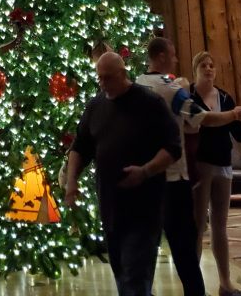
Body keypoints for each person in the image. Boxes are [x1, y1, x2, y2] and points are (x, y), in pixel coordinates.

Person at [136, 38, 241, 296]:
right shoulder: (171, 89)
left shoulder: (138, 84)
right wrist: (233, 115)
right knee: (185, 243)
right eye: (173, 55)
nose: (176, 60)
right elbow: (202, 118)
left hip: (146, 174)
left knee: (148, 238)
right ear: (163, 56)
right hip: (174, 175)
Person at [65, 52, 181, 296]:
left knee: (134, 278)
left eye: (108, 78)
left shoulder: (150, 103)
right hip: (111, 208)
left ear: (123, 73)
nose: (103, 83)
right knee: (122, 274)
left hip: (144, 208)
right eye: (99, 78)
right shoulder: (96, 106)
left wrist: (146, 171)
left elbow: (172, 147)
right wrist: (71, 181)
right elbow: (80, 147)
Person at [190, 51, 241, 296]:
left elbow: (238, 134)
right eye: (204, 65)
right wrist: (230, 116)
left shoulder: (224, 96)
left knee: (221, 225)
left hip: (223, 163)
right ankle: (194, 282)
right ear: (196, 69)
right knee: (199, 224)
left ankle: (225, 281)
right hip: (201, 162)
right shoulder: (190, 96)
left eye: (212, 65)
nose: (209, 69)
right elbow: (202, 123)